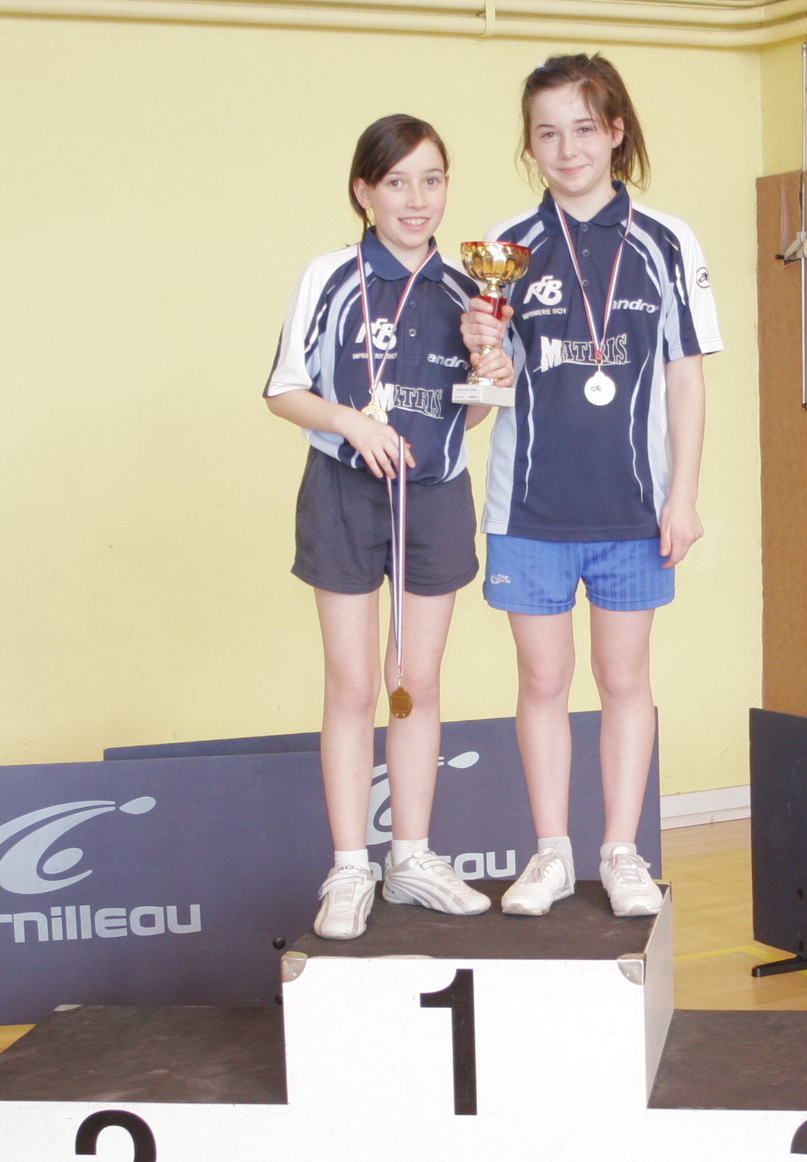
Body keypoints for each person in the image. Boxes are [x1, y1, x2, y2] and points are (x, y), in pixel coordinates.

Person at [463, 54, 722, 918]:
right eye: (547, 133)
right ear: (529, 144)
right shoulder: (506, 247)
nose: (567, 148)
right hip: (529, 510)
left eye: (583, 128)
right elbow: (483, 401)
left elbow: (685, 378)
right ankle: (549, 853)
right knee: (543, 682)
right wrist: (483, 357)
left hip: (633, 511)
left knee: (623, 678)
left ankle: (620, 852)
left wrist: (682, 497)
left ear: (616, 132)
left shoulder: (667, 242)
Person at [265, 114, 514, 940]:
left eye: (432, 180)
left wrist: (491, 373)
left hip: (434, 497)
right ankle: (349, 867)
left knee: (418, 682)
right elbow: (283, 390)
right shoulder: (331, 276)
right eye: (398, 182)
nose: (417, 199)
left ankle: (411, 857)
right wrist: (350, 423)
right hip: (342, 492)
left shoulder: (470, 290)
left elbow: (466, 419)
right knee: (352, 686)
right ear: (364, 191)